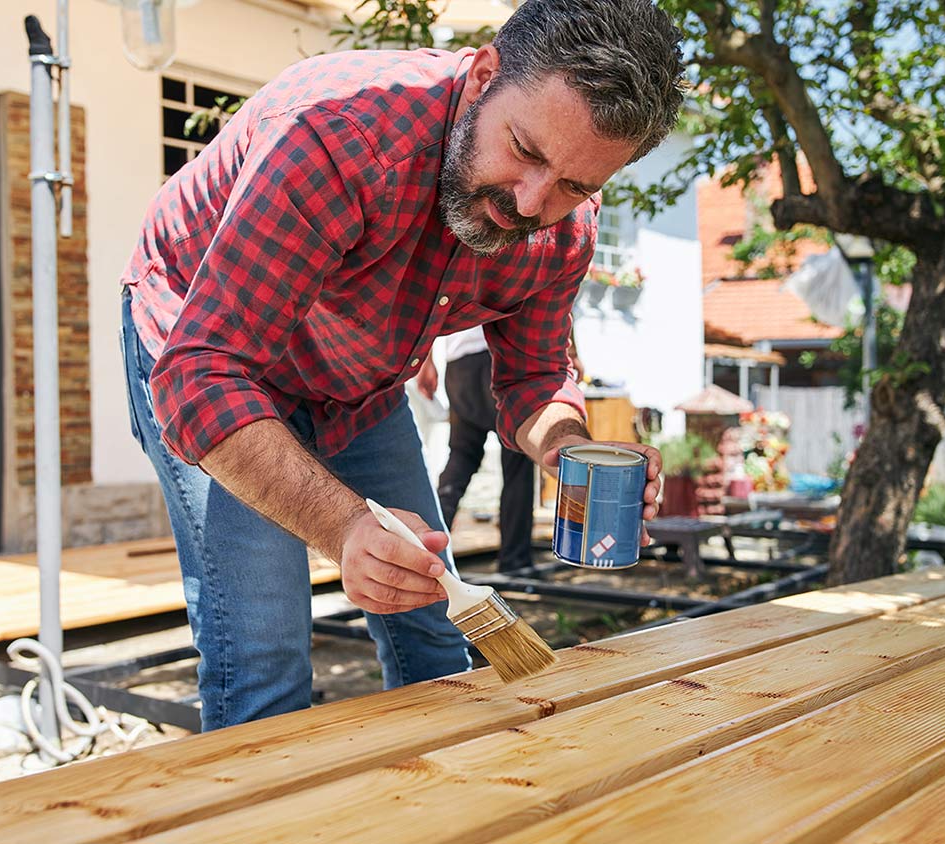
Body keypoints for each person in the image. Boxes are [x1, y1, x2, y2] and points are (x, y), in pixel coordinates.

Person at [119, 0, 683, 731]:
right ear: (483, 76)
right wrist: (344, 524)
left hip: (359, 378)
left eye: (575, 184)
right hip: (209, 357)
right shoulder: (336, 135)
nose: (531, 202)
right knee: (264, 653)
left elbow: (535, 380)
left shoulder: (564, 226)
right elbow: (202, 374)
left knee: (435, 623)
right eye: (526, 150)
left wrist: (570, 450)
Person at [417, 325, 584, 573]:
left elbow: (433, 305)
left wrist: (425, 361)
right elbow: (562, 307)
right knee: (518, 460)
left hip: (459, 365)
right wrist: (574, 353)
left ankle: (426, 546)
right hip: (499, 357)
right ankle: (514, 561)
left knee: (462, 455)